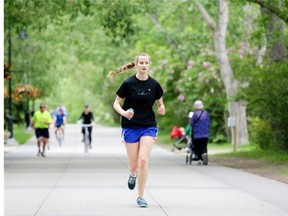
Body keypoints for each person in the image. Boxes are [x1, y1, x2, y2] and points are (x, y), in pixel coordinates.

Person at [109, 53, 165, 208]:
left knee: (143, 160)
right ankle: (133, 174)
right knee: (134, 165)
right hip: (130, 126)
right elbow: (116, 103)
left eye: (146, 62)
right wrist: (123, 113)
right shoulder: (128, 83)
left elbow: (161, 104)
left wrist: (162, 109)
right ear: (136, 64)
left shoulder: (154, 84)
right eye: (141, 62)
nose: (144, 65)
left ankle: (140, 196)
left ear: (149, 64)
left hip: (148, 126)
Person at [190, 100, 210, 165]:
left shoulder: (195, 114)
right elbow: (209, 123)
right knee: (204, 146)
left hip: (197, 134)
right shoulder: (206, 113)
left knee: (197, 147)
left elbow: (192, 124)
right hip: (205, 134)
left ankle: (199, 159)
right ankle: (204, 153)